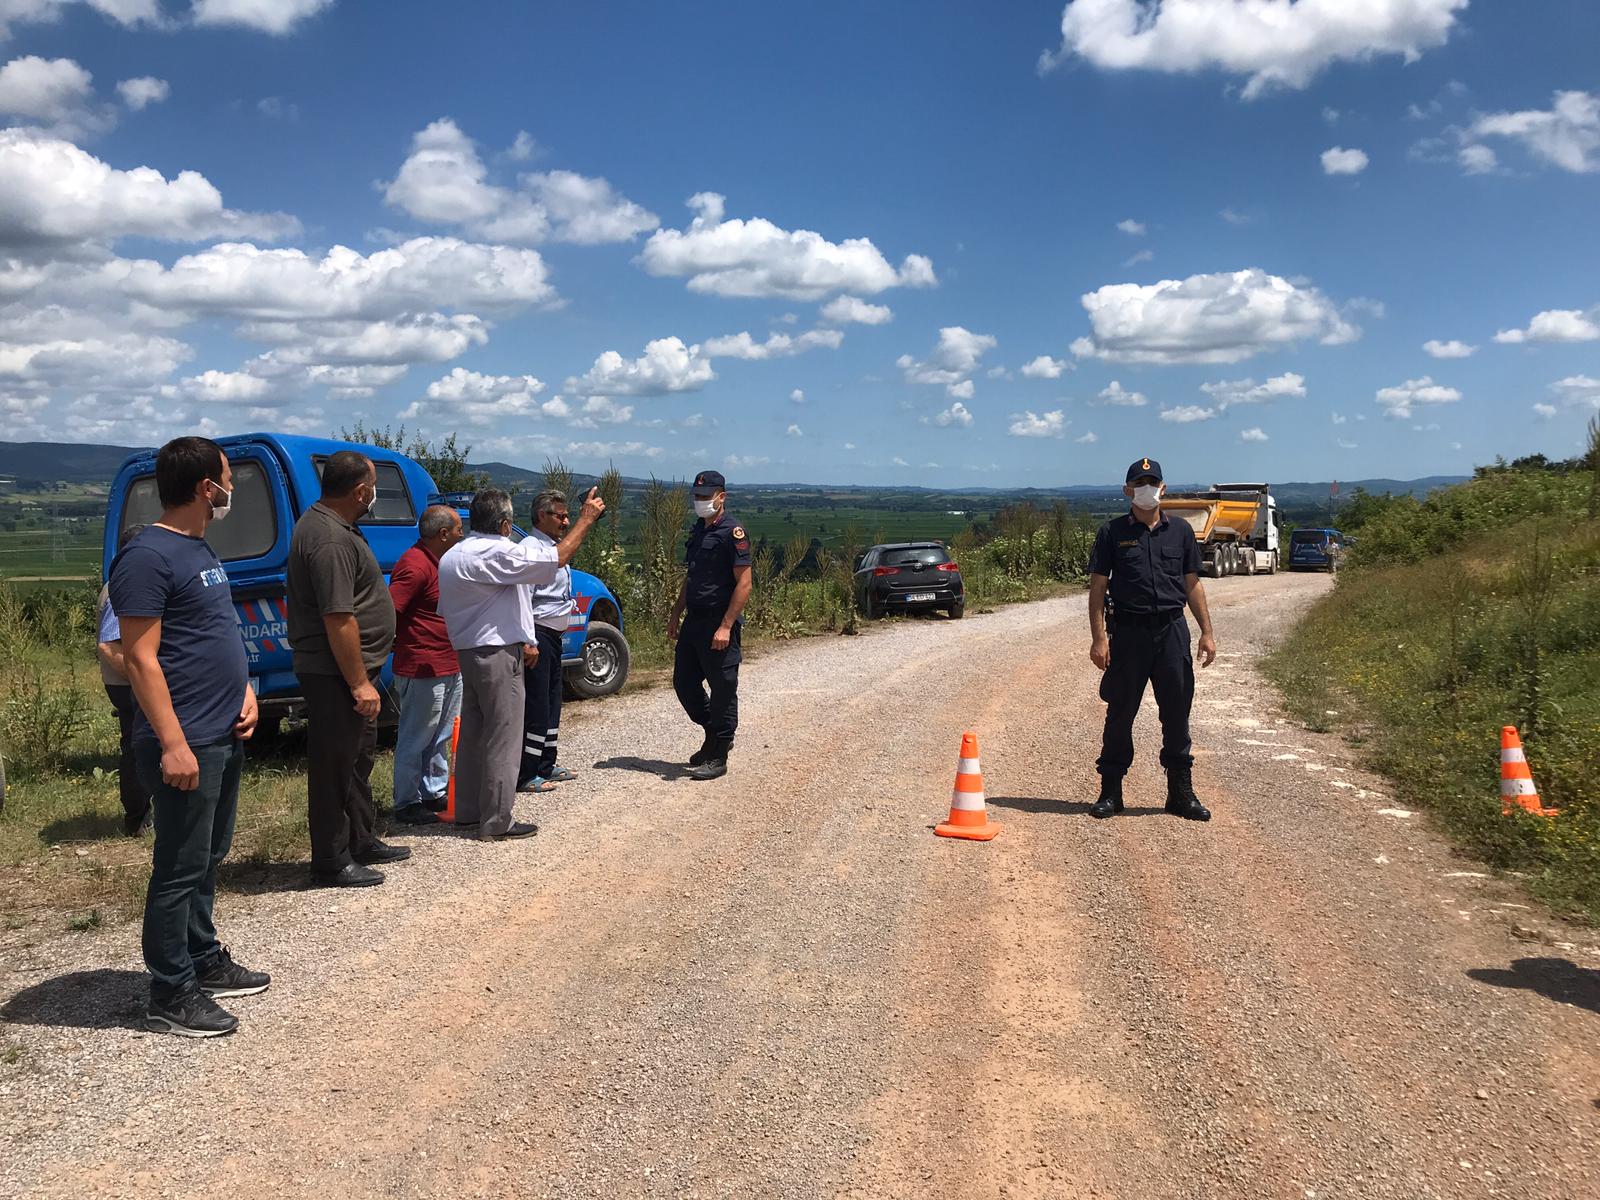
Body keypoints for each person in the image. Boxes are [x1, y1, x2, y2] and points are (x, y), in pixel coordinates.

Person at [109, 436, 267, 1038]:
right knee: (178, 866)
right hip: (186, 740)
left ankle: (201, 956)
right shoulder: (148, 556)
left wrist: (246, 690)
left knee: (208, 856)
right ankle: (169, 991)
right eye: (228, 479)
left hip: (222, 730)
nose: (231, 490)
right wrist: (173, 743)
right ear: (208, 487)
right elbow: (140, 659)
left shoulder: (198, 550)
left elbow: (214, 632)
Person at [436, 486, 605, 840]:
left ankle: (467, 810)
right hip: (498, 652)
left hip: (467, 650)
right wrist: (587, 518)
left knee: (473, 734)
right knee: (503, 734)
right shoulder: (496, 552)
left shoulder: (454, 554)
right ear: (504, 524)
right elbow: (555, 559)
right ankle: (497, 819)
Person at [285, 451, 406, 887]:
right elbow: (338, 617)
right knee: (334, 765)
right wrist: (358, 682)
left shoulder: (337, 526)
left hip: (355, 672)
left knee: (357, 759)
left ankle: (360, 838)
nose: (375, 494)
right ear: (361, 491)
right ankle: (331, 860)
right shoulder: (329, 538)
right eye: (373, 486)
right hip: (334, 674)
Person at [1086, 457, 1217, 822]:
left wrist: (1207, 631)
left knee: (1177, 713)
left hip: (1172, 631)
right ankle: (1110, 792)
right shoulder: (1111, 533)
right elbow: (1098, 589)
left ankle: (1180, 794)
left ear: (1163, 487)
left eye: (1152, 481)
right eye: (1139, 482)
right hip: (1128, 633)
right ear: (1127, 490)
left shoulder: (1181, 532)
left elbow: (1192, 584)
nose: (1146, 487)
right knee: (1120, 714)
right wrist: (1099, 638)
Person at [667, 470, 752, 781]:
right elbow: (691, 579)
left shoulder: (733, 533)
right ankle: (711, 732)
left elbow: (744, 584)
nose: (700, 502)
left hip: (719, 621)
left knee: (723, 689)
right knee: (684, 683)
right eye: (697, 497)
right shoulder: (699, 530)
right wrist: (676, 613)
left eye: (706, 497)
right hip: (694, 621)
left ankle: (720, 753)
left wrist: (727, 626)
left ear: (721, 497)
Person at [388, 504, 464, 826]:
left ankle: (433, 792)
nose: (463, 535)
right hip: (423, 666)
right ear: (443, 533)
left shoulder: (439, 562)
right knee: (416, 737)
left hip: (447, 662)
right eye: (459, 529)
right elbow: (390, 609)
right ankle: (406, 802)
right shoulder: (415, 564)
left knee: (440, 735)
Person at [517, 490, 579, 794]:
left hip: (555, 636)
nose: (566, 521)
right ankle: (527, 773)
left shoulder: (553, 547)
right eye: (561, 515)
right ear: (542, 516)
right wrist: (529, 640)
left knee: (554, 701)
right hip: (538, 635)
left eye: (567, 516)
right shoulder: (531, 548)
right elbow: (523, 599)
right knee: (537, 704)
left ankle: (546, 764)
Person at [97, 523, 152, 837]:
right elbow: (108, 644)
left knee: (139, 744)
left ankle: (143, 814)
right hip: (127, 681)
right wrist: (144, 677)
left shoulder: (122, 579)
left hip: (127, 679)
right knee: (136, 747)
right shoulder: (123, 583)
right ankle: (138, 818)